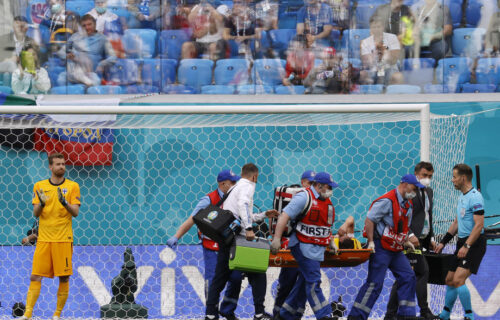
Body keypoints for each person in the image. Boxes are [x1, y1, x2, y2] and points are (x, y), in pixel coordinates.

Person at [205, 163, 278, 320]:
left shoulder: (236, 187)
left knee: (221, 277)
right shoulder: (248, 185)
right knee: (258, 273)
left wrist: (264, 214)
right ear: (255, 176)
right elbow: (243, 205)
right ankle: (259, 313)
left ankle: (210, 313)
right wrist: (250, 228)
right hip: (240, 241)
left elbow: (242, 213)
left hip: (229, 238)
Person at [348, 174, 424, 320]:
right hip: (380, 247)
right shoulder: (387, 200)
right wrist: (370, 242)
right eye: (414, 188)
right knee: (375, 284)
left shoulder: (408, 204)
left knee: (408, 276)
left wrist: (406, 240)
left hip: (395, 249)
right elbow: (370, 220)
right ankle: (356, 317)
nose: (415, 192)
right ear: (405, 184)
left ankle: (406, 316)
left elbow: (402, 226)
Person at [166, 169, 242, 306]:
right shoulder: (208, 200)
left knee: (236, 278)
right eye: (233, 182)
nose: (235, 185)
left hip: (231, 245)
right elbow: (192, 220)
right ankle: (211, 310)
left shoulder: (237, 198)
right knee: (212, 279)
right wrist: (176, 236)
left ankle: (227, 309)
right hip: (211, 247)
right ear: (223, 184)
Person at [271, 171, 340, 320]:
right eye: (329, 187)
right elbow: (284, 216)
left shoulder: (327, 203)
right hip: (302, 246)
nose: (331, 190)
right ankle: (324, 315)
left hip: (316, 249)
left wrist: (331, 242)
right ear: (319, 185)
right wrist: (276, 239)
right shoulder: (304, 197)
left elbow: (326, 226)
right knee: (314, 281)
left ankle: (285, 315)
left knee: (304, 282)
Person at [21, 153, 81, 320]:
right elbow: (36, 212)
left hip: (63, 239)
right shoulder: (39, 186)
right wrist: (41, 203)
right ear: (50, 167)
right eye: (58, 164)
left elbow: (75, 212)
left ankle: (57, 314)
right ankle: (27, 314)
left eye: (63, 164)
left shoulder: (73, 186)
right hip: (44, 239)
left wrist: (64, 203)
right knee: (35, 275)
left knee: (64, 276)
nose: (62, 166)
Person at [385, 162, 437, 320]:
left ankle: (392, 314)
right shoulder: (408, 192)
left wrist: (431, 237)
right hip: (409, 240)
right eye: (424, 175)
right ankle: (422, 311)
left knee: (409, 274)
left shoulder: (429, 191)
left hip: (422, 240)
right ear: (416, 174)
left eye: (429, 176)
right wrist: (409, 235)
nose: (427, 179)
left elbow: (428, 216)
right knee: (420, 272)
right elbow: (400, 215)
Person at [435, 164, 487, 320]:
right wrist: (443, 242)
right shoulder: (462, 197)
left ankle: (469, 316)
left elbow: (479, 225)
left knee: (458, 280)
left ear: (463, 178)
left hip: (474, 243)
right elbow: (456, 223)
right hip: (462, 242)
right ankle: (445, 315)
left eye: (454, 177)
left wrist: (467, 245)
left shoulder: (475, 197)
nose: (452, 180)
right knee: (449, 280)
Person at [271, 170, 315, 319]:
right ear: (303, 182)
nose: (312, 186)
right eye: (309, 183)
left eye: (314, 183)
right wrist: (277, 239)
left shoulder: (314, 200)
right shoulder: (298, 198)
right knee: (286, 283)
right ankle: (278, 315)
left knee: (303, 285)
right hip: (291, 246)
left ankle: (294, 315)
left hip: (307, 249)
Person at [60, 14, 116, 87]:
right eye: (84, 25)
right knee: (61, 79)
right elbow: (62, 51)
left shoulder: (103, 39)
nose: (87, 27)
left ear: (95, 24)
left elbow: (113, 57)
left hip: (91, 71)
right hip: (74, 66)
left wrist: (102, 64)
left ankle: (80, 77)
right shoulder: (75, 37)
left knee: (95, 82)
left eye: (89, 24)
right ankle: (78, 76)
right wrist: (67, 55)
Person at [359, 16, 402, 86]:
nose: (376, 29)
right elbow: (367, 63)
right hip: (373, 69)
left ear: (383, 27)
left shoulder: (393, 38)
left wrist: (384, 51)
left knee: (395, 73)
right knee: (363, 74)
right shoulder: (365, 42)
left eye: (378, 27)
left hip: (390, 67)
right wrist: (375, 55)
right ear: (370, 28)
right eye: (374, 27)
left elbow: (394, 60)